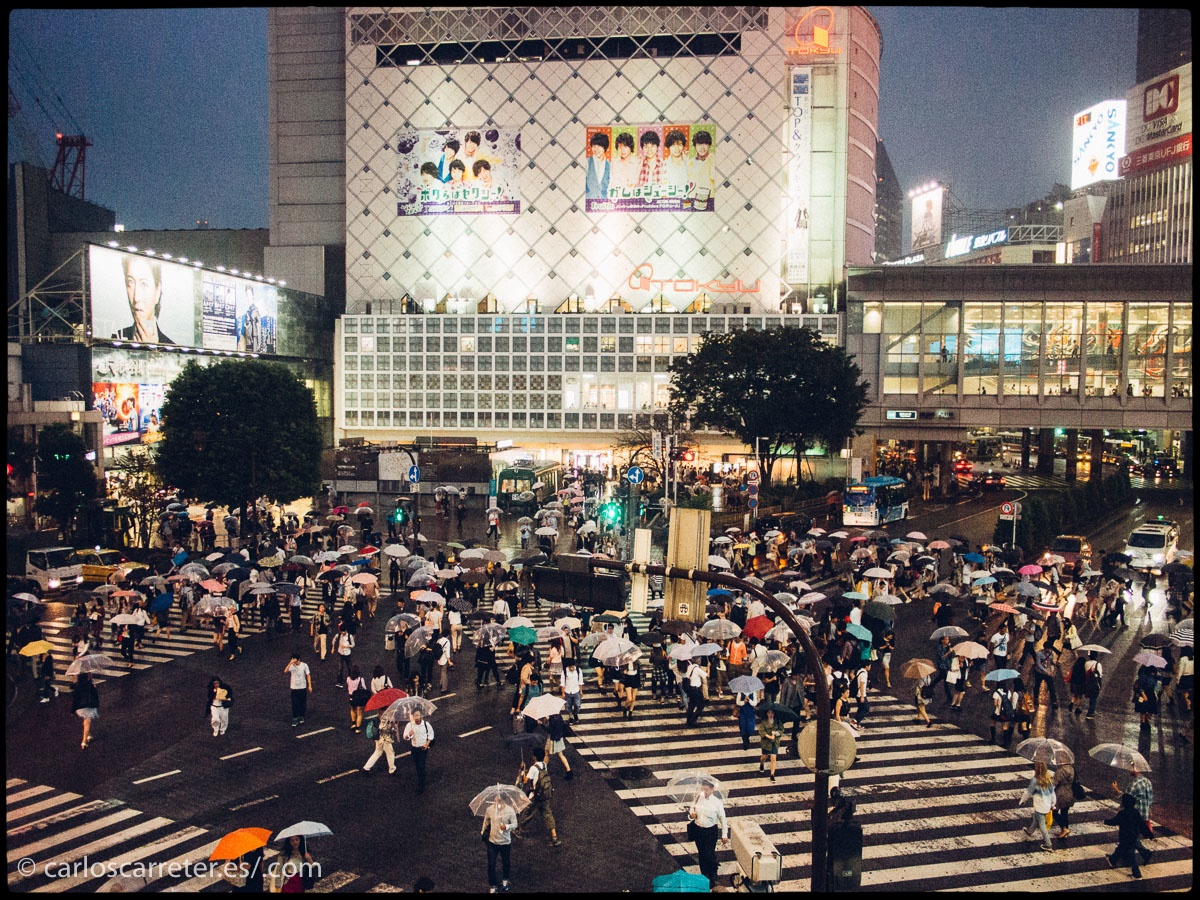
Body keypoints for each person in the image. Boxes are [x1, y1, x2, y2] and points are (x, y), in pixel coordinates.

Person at [113, 254, 175, 344]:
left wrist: (153, 351)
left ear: (157, 291)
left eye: (144, 284)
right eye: (130, 282)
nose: (136, 297)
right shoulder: (115, 338)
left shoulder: (172, 348)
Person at [687, 781, 728, 890]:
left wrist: (725, 834)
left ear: (712, 789)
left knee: (709, 854)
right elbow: (692, 808)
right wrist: (692, 814)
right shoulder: (698, 798)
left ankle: (712, 873)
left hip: (710, 831)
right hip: (698, 830)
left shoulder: (717, 803)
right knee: (702, 853)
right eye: (702, 789)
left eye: (706, 790)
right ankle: (704, 875)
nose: (704, 792)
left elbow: (722, 818)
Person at [1105, 792, 1154, 878]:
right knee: (1121, 849)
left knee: (1130, 855)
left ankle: (1136, 873)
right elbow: (1142, 824)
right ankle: (1112, 860)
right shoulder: (1136, 813)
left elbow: (1114, 822)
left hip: (1124, 836)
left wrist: (1106, 821)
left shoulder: (1122, 814)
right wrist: (1149, 834)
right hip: (1134, 836)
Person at [1017, 760, 1058, 851]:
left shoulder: (1035, 780)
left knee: (1042, 825)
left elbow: (1028, 792)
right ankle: (1029, 831)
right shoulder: (1049, 778)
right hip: (1047, 805)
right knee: (1036, 819)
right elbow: (1052, 793)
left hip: (1040, 806)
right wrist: (1053, 803)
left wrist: (1022, 800)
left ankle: (1048, 844)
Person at [481, 796, 519, 893]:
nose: (496, 802)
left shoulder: (510, 811)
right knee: (491, 864)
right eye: (495, 800)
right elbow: (486, 820)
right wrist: (483, 831)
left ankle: (505, 881)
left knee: (506, 863)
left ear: (504, 801)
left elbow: (515, 824)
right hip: (492, 842)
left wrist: (506, 826)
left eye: (498, 801)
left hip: (505, 842)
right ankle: (492, 885)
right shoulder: (490, 809)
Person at [403, 708, 435, 793]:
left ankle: (421, 784)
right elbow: (405, 736)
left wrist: (426, 744)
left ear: (421, 716)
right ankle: (422, 774)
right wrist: (409, 735)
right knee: (418, 765)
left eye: (418, 715)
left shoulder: (426, 724)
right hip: (414, 748)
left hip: (423, 748)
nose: (416, 717)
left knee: (421, 765)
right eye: (415, 715)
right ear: (412, 716)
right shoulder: (410, 725)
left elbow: (431, 735)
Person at [72, 673, 100, 749]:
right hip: (89, 706)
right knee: (86, 723)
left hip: (80, 707)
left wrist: (72, 710)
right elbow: (95, 696)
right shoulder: (90, 685)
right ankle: (84, 742)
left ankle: (89, 735)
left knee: (86, 721)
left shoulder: (77, 686)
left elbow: (75, 699)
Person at [757, 707, 784, 783]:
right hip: (766, 743)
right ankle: (762, 763)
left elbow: (782, 730)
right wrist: (769, 736)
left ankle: (772, 775)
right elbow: (761, 732)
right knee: (764, 756)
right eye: (769, 713)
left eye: (772, 713)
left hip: (774, 742)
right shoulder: (764, 722)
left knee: (773, 758)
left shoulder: (777, 721)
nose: (771, 715)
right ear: (767, 714)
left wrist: (776, 733)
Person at [285, 652, 312, 727]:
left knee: (302, 703)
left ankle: (301, 716)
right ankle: (295, 718)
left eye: (296, 661)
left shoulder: (304, 665)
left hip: (302, 687)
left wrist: (310, 685)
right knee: (294, 703)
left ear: (299, 659)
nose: (295, 663)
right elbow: (285, 670)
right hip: (294, 688)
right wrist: (290, 663)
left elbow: (308, 675)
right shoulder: (292, 666)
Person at [544, 712, 573, 780]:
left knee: (546, 753)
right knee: (561, 754)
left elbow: (549, 730)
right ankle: (569, 771)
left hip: (552, 739)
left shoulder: (552, 719)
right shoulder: (559, 716)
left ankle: (543, 770)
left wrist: (543, 723)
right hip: (559, 737)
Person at [1051, 761, 1077, 838]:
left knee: (1053, 812)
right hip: (1070, 793)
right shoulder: (1072, 768)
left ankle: (1064, 829)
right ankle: (1065, 831)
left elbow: (1054, 784)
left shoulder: (1060, 771)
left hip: (1060, 795)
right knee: (1064, 812)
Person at [585, 131, 611, 201]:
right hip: (588, 201)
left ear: (605, 147)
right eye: (594, 146)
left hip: (604, 203)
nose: (596, 149)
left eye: (599, 146)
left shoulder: (610, 165)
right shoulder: (587, 162)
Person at [346, 665, 369, 733]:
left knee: (352, 709)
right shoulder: (360, 679)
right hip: (358, 697)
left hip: (351, 697)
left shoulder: (348, 678)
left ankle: (353, 723)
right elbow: (364, 687)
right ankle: (357, 728)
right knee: (359, 713)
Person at [1083, 651, 1104, 719]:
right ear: (1096, 656)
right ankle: (1090, 713)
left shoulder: (1086, 663)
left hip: (1087, 682)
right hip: (1095, 683)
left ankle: (1090, 711)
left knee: (1091, 697)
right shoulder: (1098, 664)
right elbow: (1100, 674)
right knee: (1094, 698)